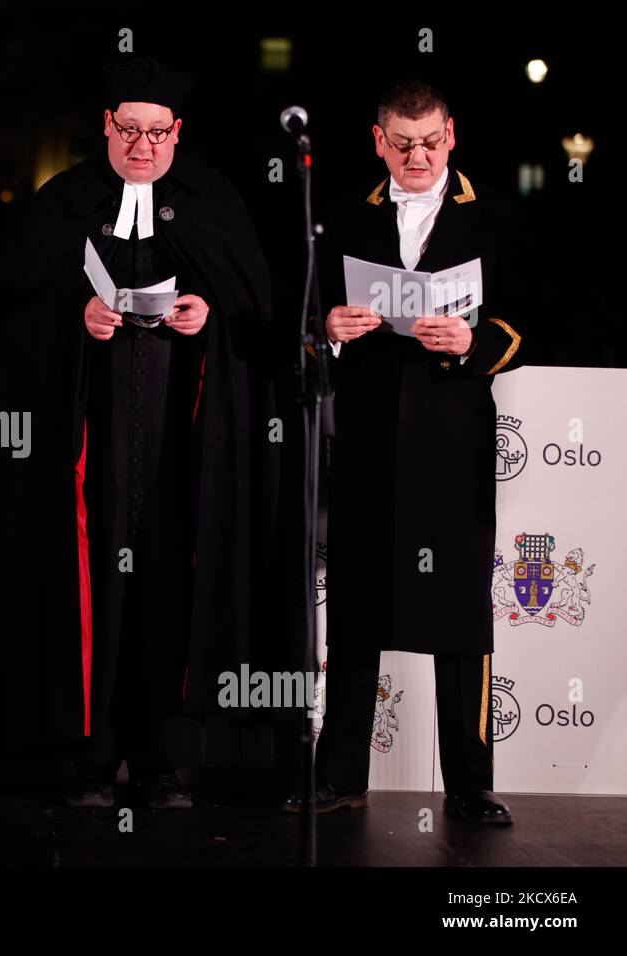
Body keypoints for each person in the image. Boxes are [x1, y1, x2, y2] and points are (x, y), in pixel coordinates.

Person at [0, 58, 281, 809]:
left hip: (180, 442)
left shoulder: (213, 201)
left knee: (169, 584)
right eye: (128, 130)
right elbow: (8, 314)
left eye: (156, 132)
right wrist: (74, 317)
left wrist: (208, 316)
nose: (142, 146)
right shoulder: (66, 201)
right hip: (90, 446)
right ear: (106, 127)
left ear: (178, 132)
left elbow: (257, 313)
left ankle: (160, 760)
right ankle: (89, 757)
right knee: (94, 589)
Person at [285, 79, 533, 825]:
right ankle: (339, 774)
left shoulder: (494, 214)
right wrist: (328, 329)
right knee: (356, 606)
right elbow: (300, 322)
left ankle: (469, 784)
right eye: (402, 144)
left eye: (429, 142)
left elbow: (526, 320)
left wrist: (472, 340)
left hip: (454, 438)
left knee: (461, 612)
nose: (417, 156)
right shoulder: (340, 216)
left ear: (450, 135)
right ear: (378, 141)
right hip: (366, 437)